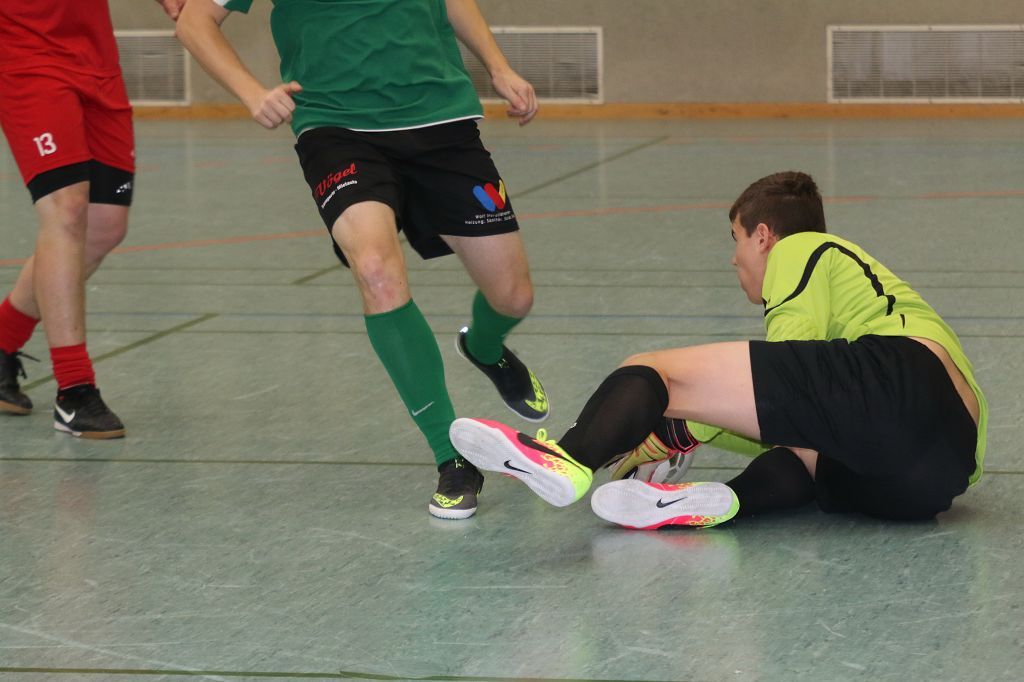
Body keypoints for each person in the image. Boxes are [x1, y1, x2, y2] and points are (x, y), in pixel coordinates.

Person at [175, 0, 548, 519]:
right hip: (336, 127)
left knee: (513, 297)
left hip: (441, 120)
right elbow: (194, 20)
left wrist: (498, 66)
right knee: (375, 270)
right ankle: (451, 456)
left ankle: (484, 347)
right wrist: (251, 92)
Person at [449, 171, 987, 529]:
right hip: (933, 481)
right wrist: (686, 431)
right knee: (803, 457)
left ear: (763, 236)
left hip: (906, 381)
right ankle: (720, 503)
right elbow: (805, 418)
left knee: (652, 370)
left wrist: (672, 424)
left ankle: (569, 457)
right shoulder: (860, 307)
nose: (734, 259)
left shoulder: (803, 247)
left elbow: (787, 384)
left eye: (737, 238)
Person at [0, 0, 186, 438]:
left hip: (95, 59)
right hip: (25, 54)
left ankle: (3, 338)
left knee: (105, 226)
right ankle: (75, 389)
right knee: (66, 208)